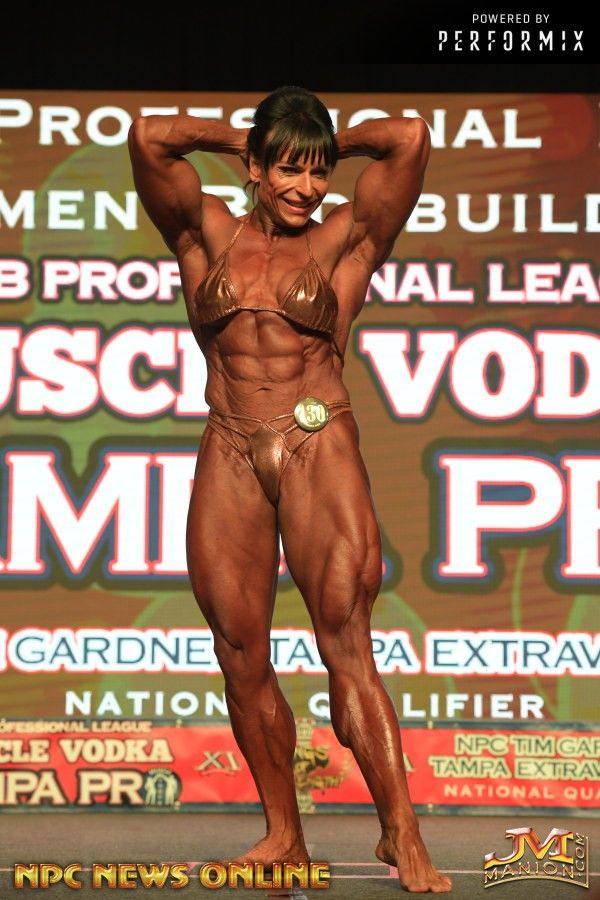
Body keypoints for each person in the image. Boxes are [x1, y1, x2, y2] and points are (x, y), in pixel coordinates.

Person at [128, 86, 451, 894]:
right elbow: (150, 136)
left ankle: (402, 830)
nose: (307, 188)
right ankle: (284, 836)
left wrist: (324, 141)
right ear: (256, 168)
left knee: (346, 640)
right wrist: (246, 138)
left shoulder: (346, 235)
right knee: (240, 652)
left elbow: (409, 138)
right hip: (230, 444)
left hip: (318, 442)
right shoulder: (203, 230)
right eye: (290, 171)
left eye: (318, 172)